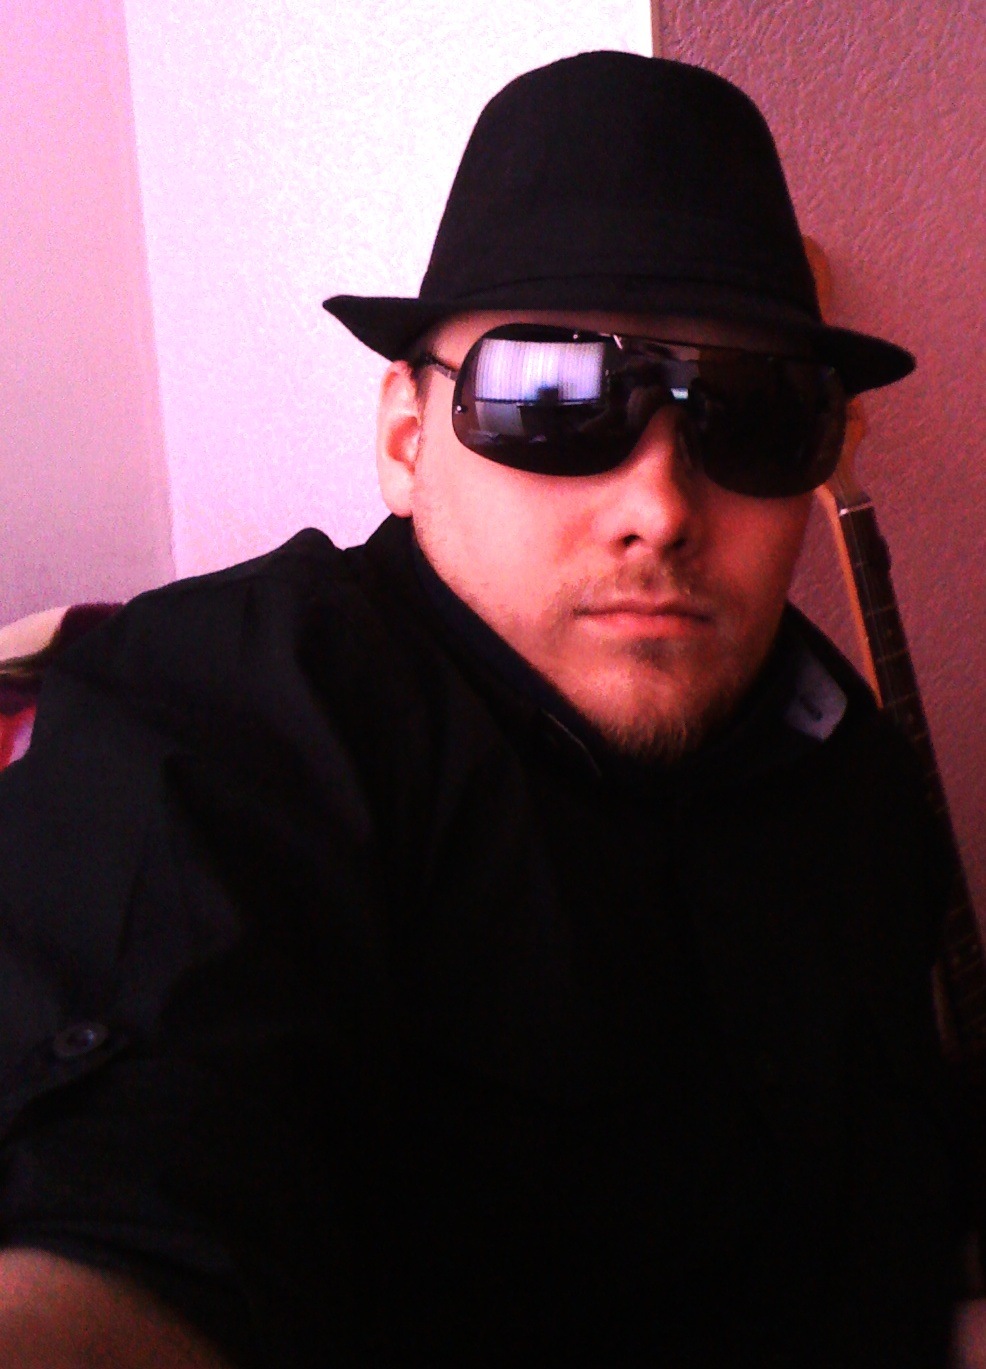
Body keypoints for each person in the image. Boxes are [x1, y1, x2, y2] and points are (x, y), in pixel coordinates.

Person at [0, 50, 969, 1368]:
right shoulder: (220, 714)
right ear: (408, 439)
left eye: (752, 414)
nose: (659, 507)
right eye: (548, 398)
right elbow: (126, 1215)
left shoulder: (845, 764)